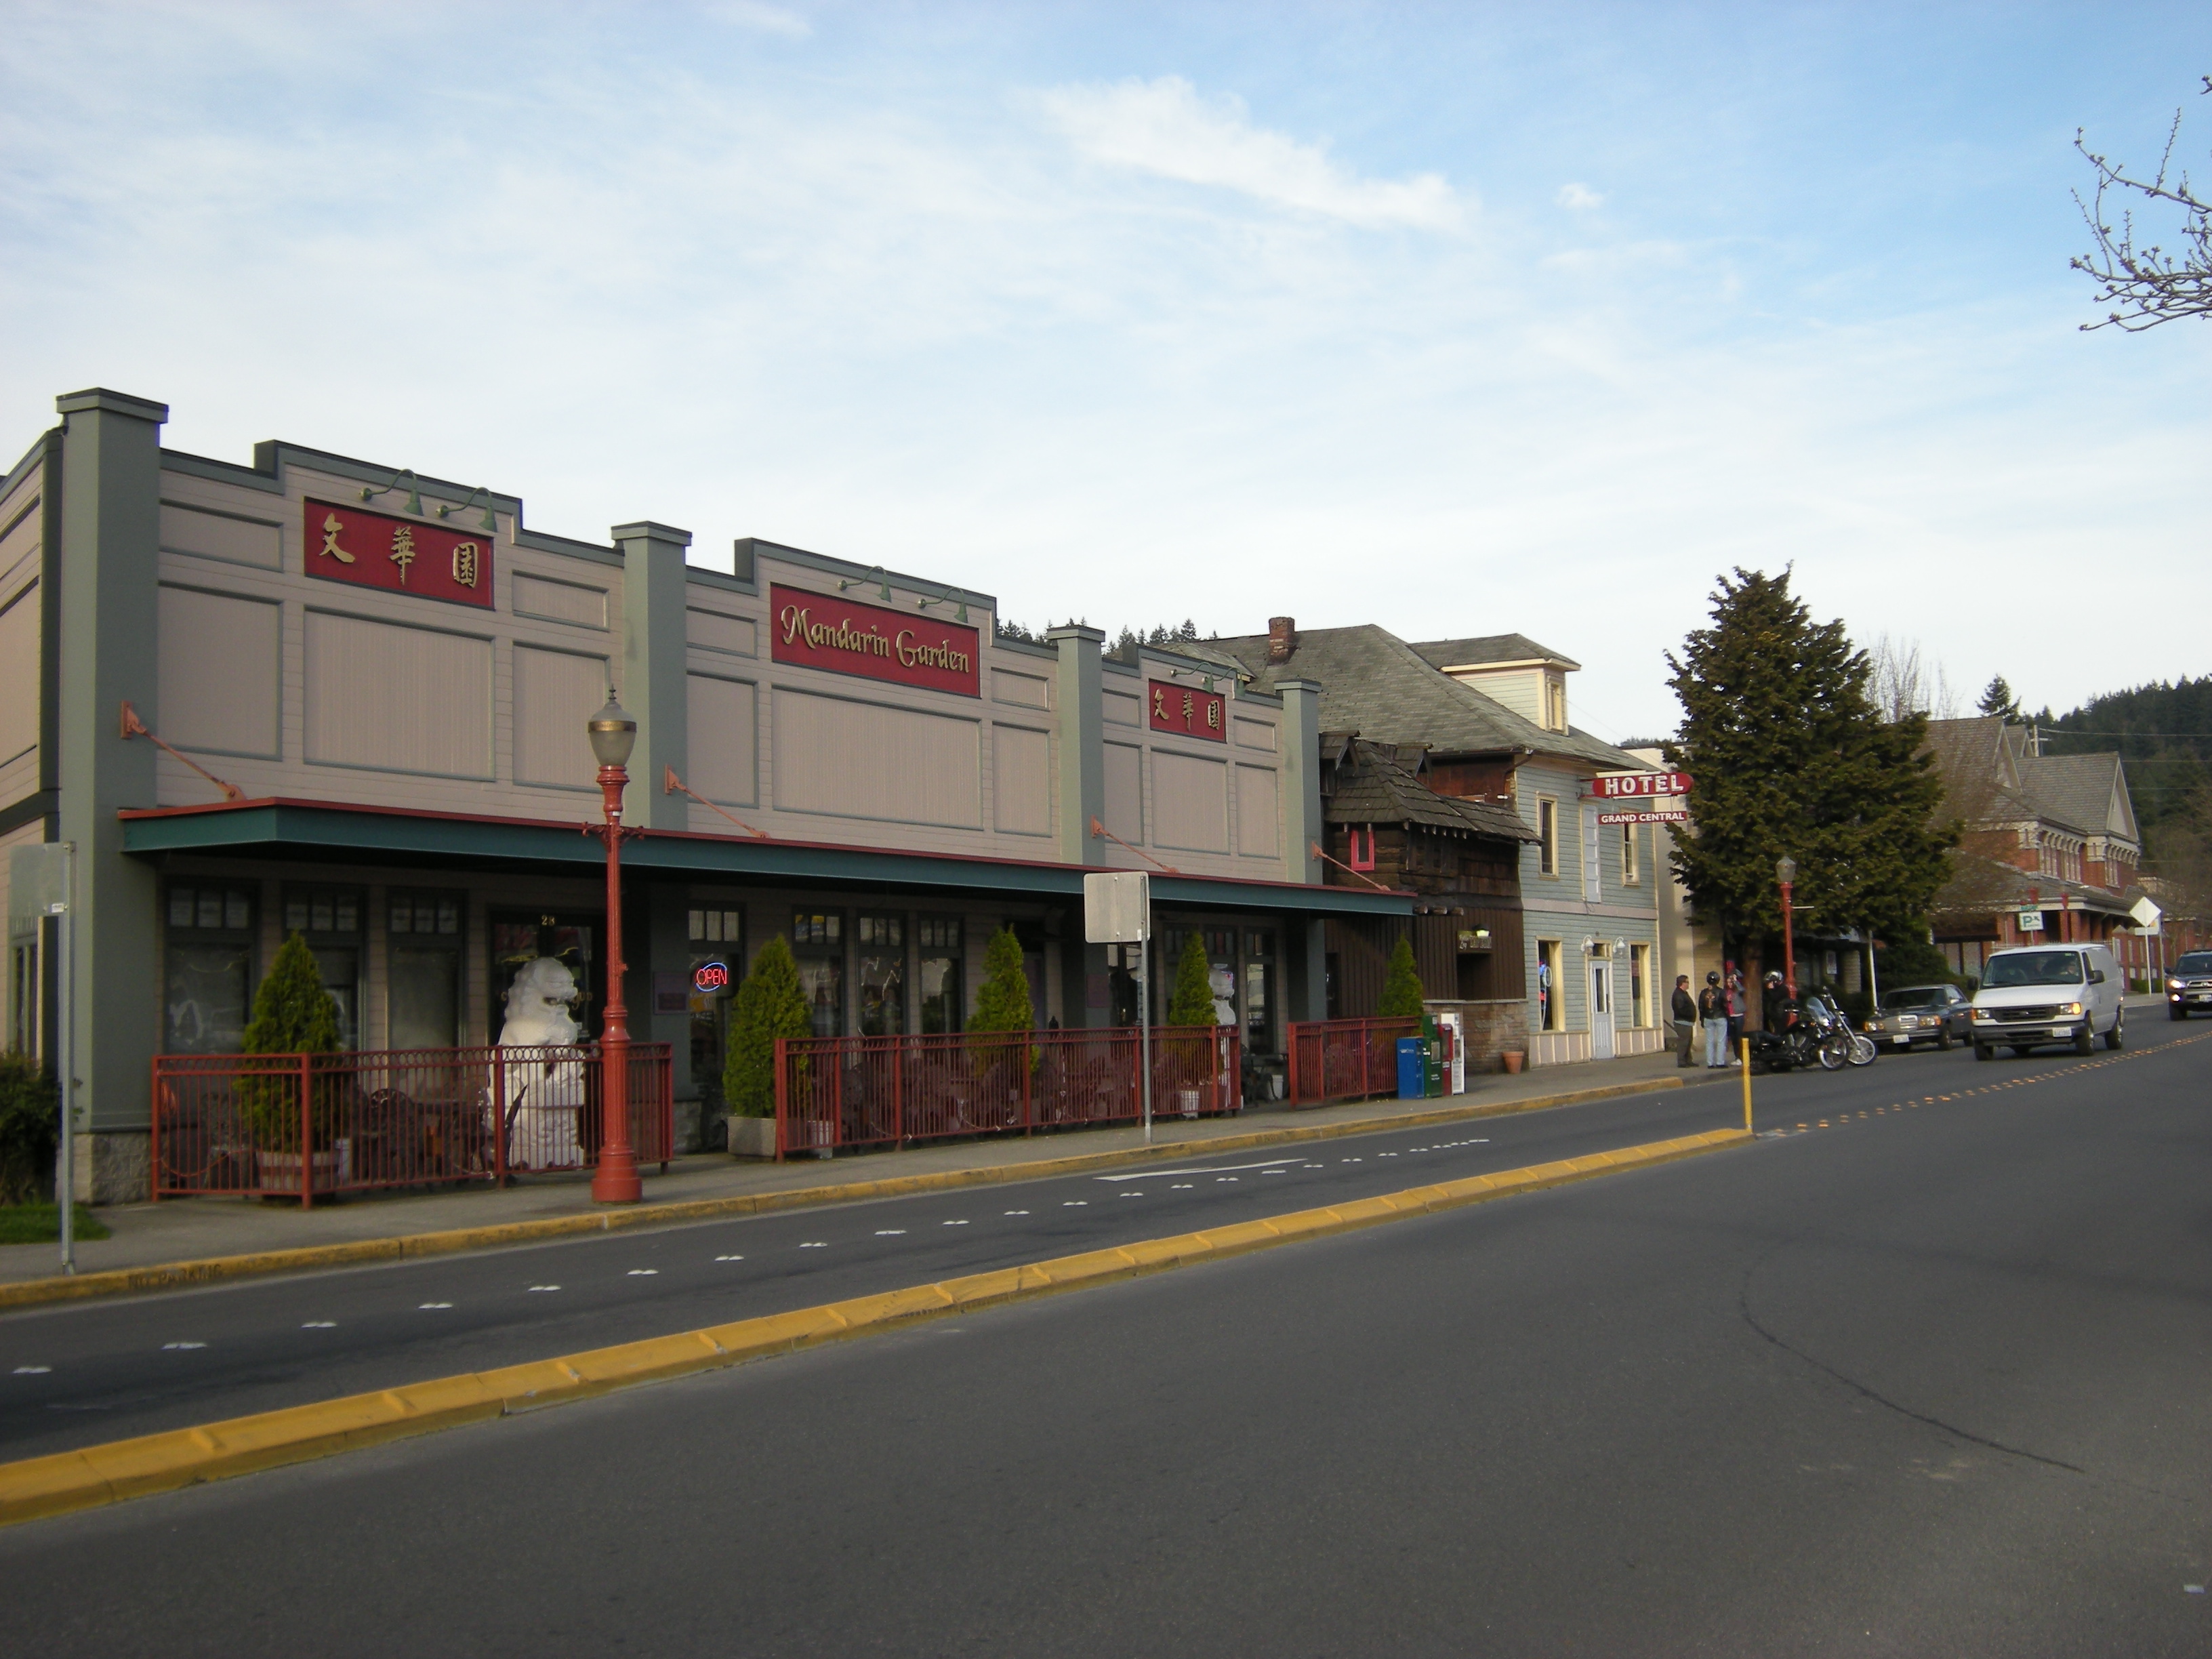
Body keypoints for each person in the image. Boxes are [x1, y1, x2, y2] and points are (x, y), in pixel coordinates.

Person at [1699, 970, 1728, 1067]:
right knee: (1721, 1040)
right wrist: (1727, 1015)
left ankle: (1710, 1063)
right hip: (1720, 1016)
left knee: (1709, 1041)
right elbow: (1725, 1005)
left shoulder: (1704, 993)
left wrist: (1702, 1018)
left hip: (1708, 1017)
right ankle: (1720, 1062)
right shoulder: (1721, 992)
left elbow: (1701, 1006)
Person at [1671, 975, 1698, 1067]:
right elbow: (1680, 1009)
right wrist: (1689, 1015)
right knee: (1684, 1042)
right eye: (1687, 982)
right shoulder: (1678, 994)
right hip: (1682, 1022)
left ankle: (1688, 1060)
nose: (1688, 984)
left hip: (1688, 1022)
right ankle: (1682, 1062)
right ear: (1682, 983)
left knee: (1689, 1042)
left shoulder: (1684, 993)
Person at [1724, 965, 1745, 1063]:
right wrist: (1726, 1000)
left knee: (1739, 1037)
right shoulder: (1725, 992)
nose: (1729, 984)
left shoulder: (1737, 991)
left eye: (1731, 982)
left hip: (1738, 1016)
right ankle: (1737, 1057)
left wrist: (1736, 981)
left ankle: (1742, 1057)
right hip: (1730, 1016)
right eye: (1728, 982)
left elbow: (1742, 990)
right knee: (1734, 1039)